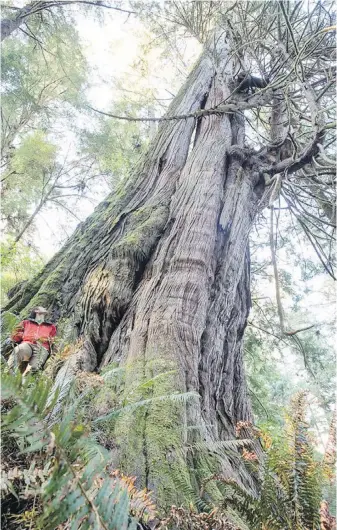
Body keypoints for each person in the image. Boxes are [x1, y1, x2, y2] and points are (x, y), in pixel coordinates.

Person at [8, 306, 57, 375]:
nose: (45, 308)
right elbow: (15, 334)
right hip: (27, 343)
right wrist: (23, 335)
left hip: (42, 348)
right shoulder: (26, 322)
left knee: (34, 368)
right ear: (36, 311)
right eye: (42, 308)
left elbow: (52, 340)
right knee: (18, 351)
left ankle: (24, 383)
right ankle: (7, 375)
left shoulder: (51, 326)